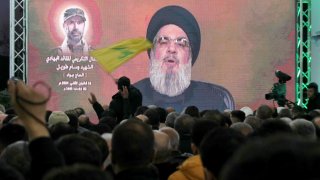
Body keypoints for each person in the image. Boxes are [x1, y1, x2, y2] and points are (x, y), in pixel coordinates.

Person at [134, 5, 235, 112]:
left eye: (181, 43)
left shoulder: (214, 100)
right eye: (163, 41)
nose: (172, 48)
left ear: (190, 56)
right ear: (152, 51)